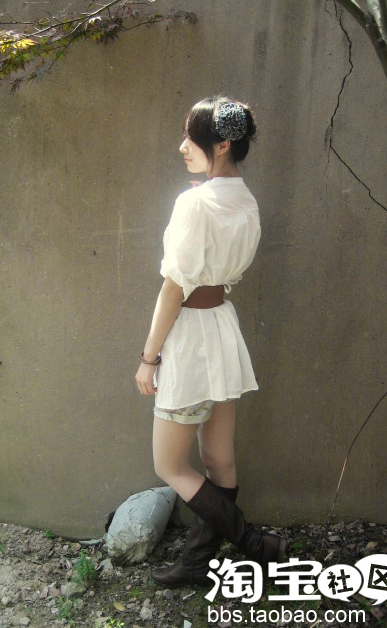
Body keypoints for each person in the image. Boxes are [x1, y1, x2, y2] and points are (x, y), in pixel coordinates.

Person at [135, 95, 287, 587]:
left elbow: (173, 288)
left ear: (221, 145)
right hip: (221, 327)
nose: (182, 147)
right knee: (220, 460)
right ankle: (199, 562)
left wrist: (148, 358)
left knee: (169, 464)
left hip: (189, 336)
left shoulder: (195, 202)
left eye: (192, 138)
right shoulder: (245, 200)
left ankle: (256, 545)